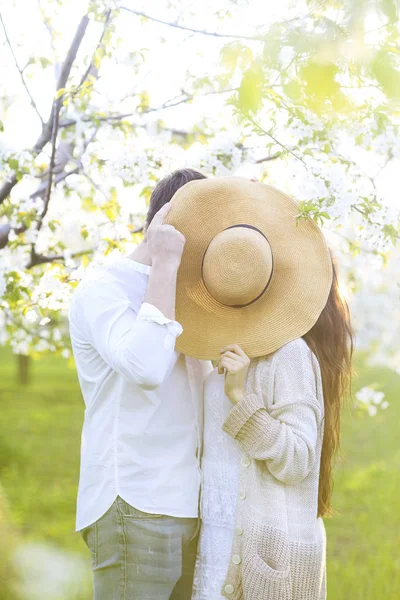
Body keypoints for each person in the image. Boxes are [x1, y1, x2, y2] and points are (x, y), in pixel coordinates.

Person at [163, 177, 354, 600]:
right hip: (214, 541)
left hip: (260, 552)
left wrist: (240, 398)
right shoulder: (206, 348)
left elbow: (299, 459)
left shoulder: (287, 356)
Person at [68, 169, 213, 600]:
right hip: (135, 504)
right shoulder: (103, 290)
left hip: (188, 506)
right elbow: (147, 367)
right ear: (165, 226)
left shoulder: (189, 293)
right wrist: (166, 260)